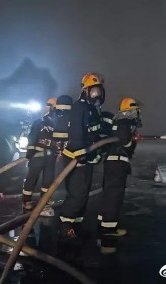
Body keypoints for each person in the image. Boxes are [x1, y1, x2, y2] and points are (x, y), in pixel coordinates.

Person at [58, 73, 105, 241]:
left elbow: (93, 134)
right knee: (77, 194)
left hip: (85, 157)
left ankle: (76, 224)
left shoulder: (92, 109)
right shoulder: (80, 107)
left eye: (99, 91)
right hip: (75, 158)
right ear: (86, 91)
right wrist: (82, 156)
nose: (97, 95)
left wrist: (95, 153)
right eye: (94, 91)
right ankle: (65, 225)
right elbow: (77, 135)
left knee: (83, 193)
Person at [97, 97, 142, 253]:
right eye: (136, 110)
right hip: (117, 164)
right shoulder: (124, 122)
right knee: (114, 196)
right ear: (131, 110)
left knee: (108, 195)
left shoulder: (118, 122)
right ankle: (108, 230)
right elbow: (125, 142)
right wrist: (133, 141)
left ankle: (103, 223)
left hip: (113, 163)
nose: (138, 113)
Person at [22, 98, 56, 212]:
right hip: (38, 156)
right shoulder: (39, 122)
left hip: (51, 157)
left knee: (48, 181)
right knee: (32, 179)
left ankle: (45, 202)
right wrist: (30, 154)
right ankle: (26, 201)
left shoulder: (56, 123)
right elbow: (32, 138)